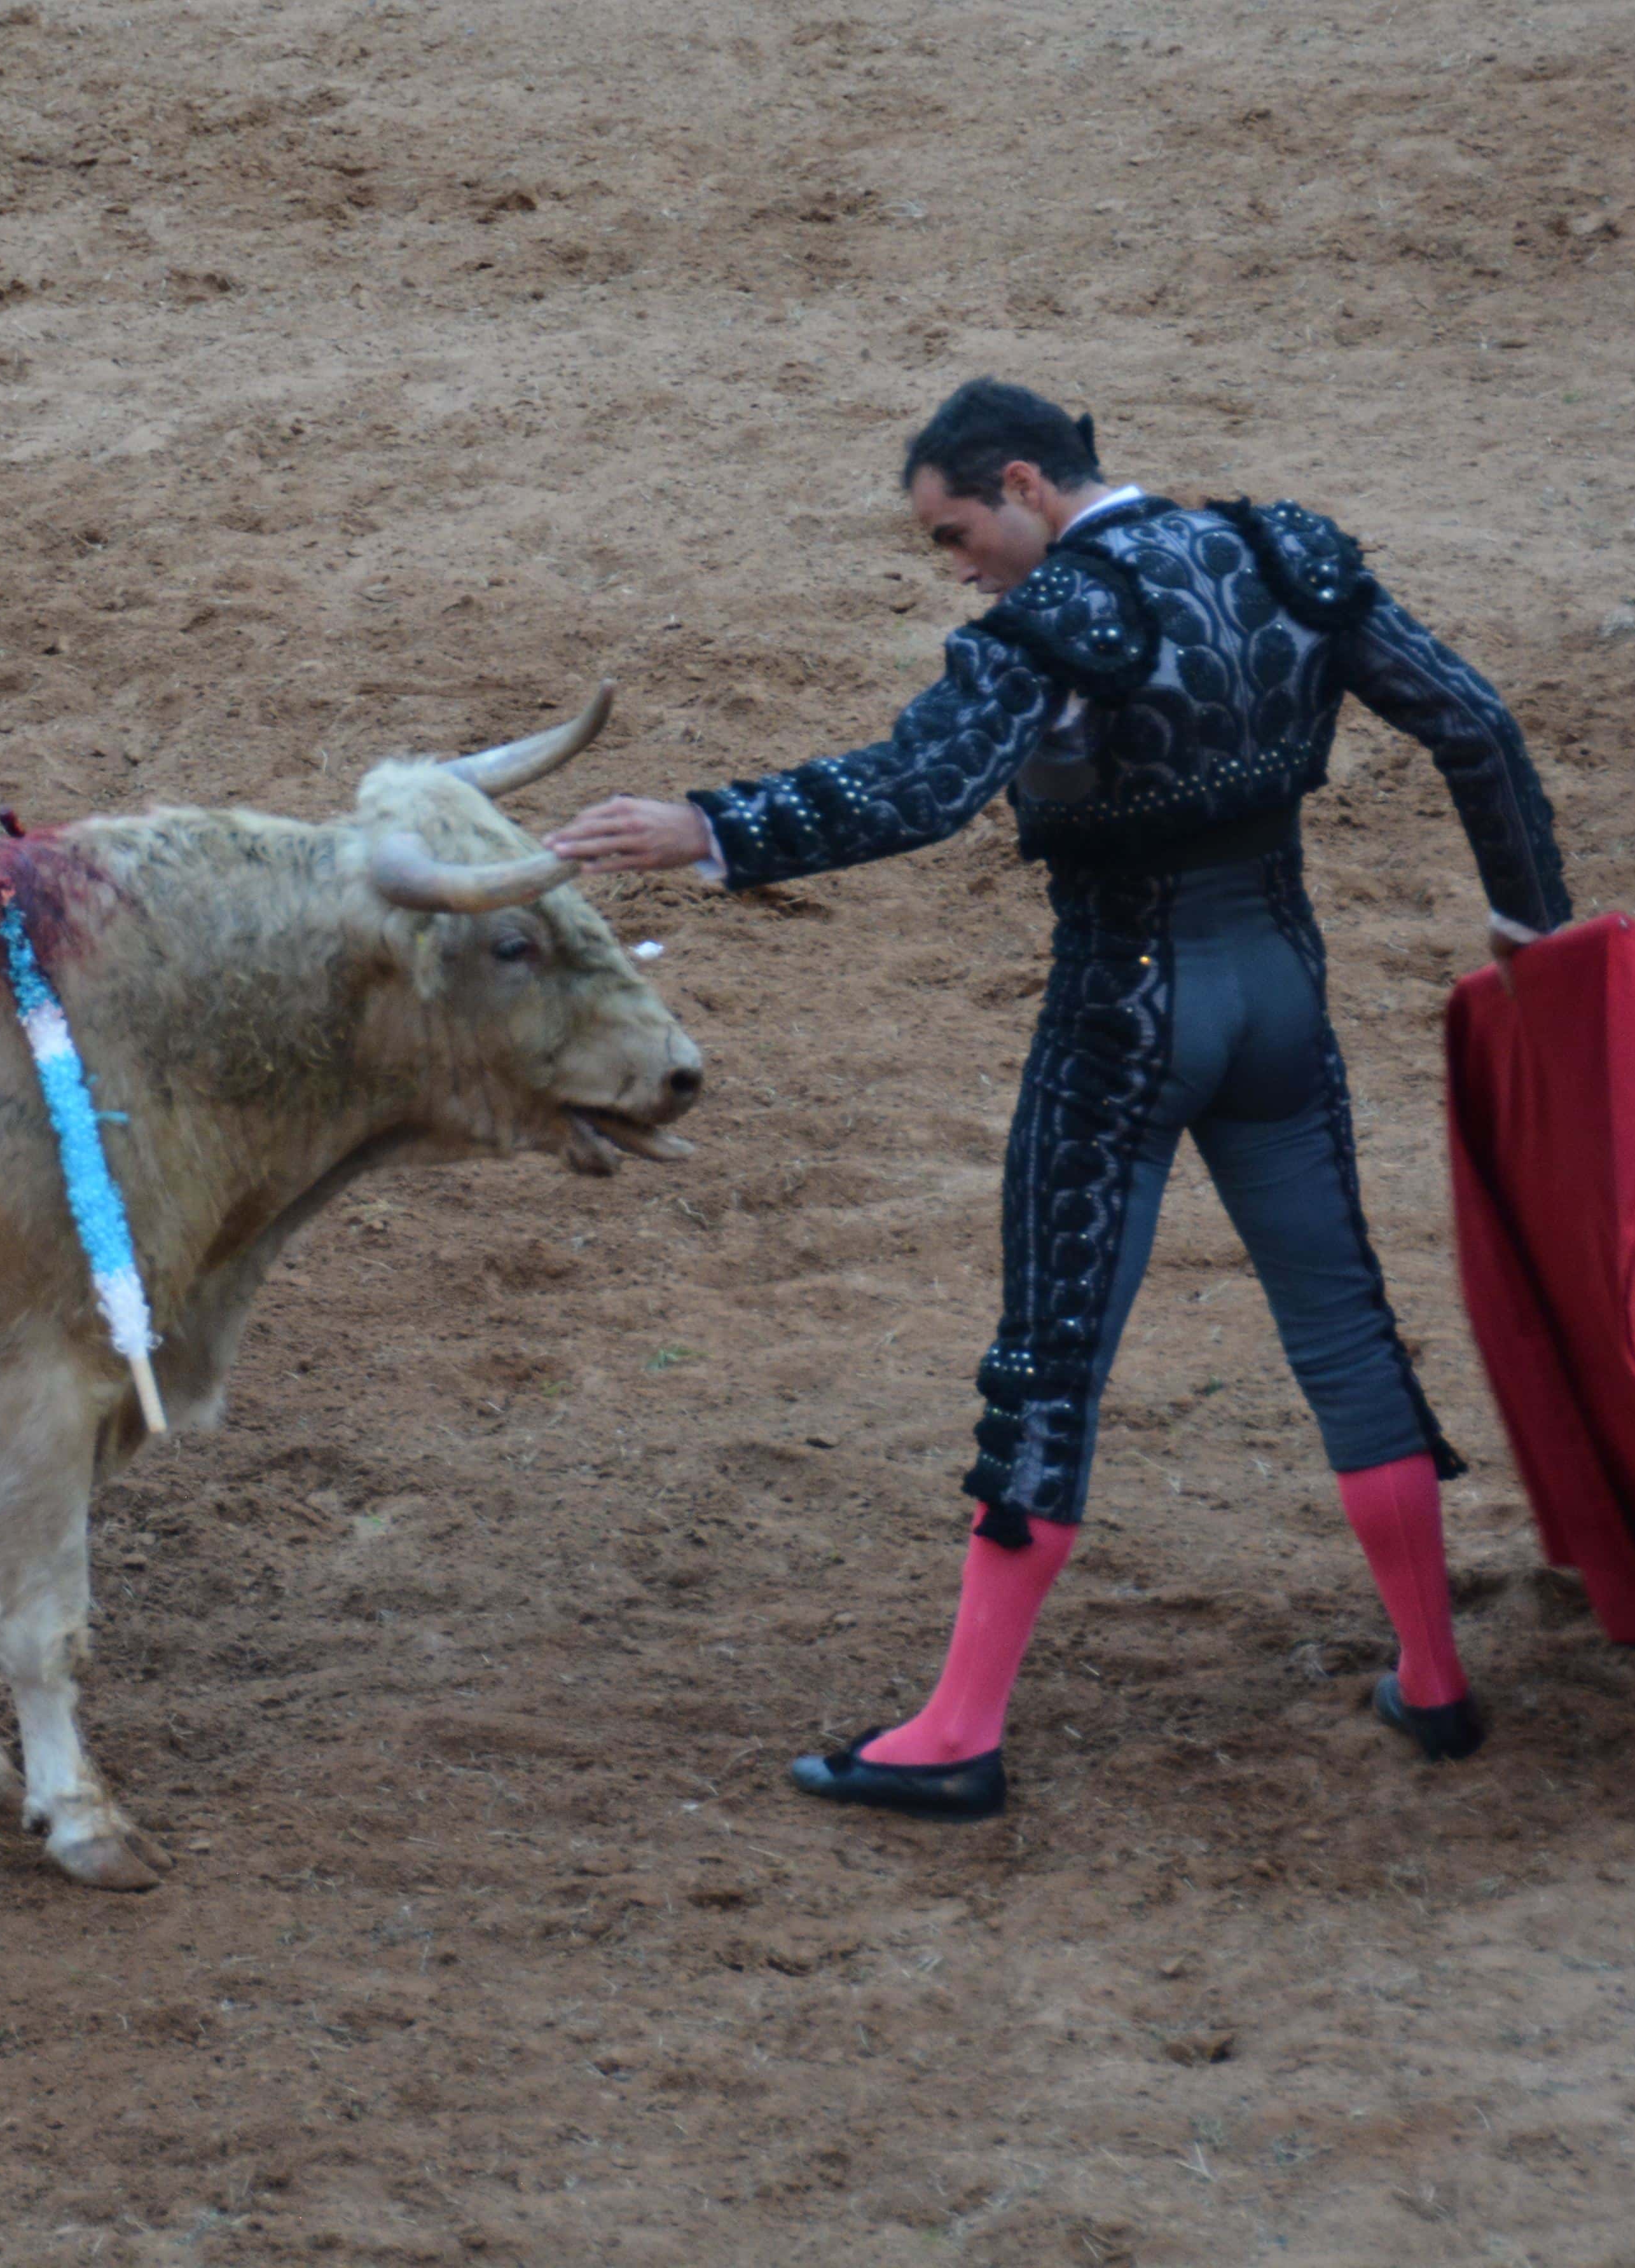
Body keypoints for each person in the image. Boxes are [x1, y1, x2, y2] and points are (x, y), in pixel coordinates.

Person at [544, 378, 1572, 1818]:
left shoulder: (1060, 624)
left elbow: (922, 789)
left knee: (1049, 1361)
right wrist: (1533, 932)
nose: (958, 566)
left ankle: (961, 1727)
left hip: (1124, 1017)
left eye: (957, 531)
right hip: (1281, 993)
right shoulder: (1286, 560)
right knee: (1344, 1326)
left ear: (1024, 482)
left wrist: (712, 825)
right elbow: (1473, 725)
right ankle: (1434, 1675)